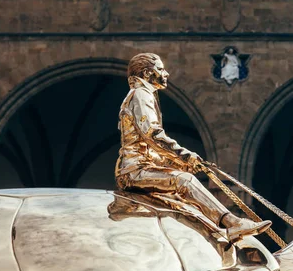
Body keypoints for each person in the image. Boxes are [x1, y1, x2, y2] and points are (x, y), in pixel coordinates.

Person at [114, 53, 271, 242]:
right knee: (185, 182)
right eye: (161, 69)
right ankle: (232, 223)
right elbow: (153, 135)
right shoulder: (140, 94)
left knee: (186, 190)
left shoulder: (142, 94)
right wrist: (185, 156)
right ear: (147, 73)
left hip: (141, 167)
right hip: (134, 171)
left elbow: (148, 147)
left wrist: (184, 164)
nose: (166, 73)